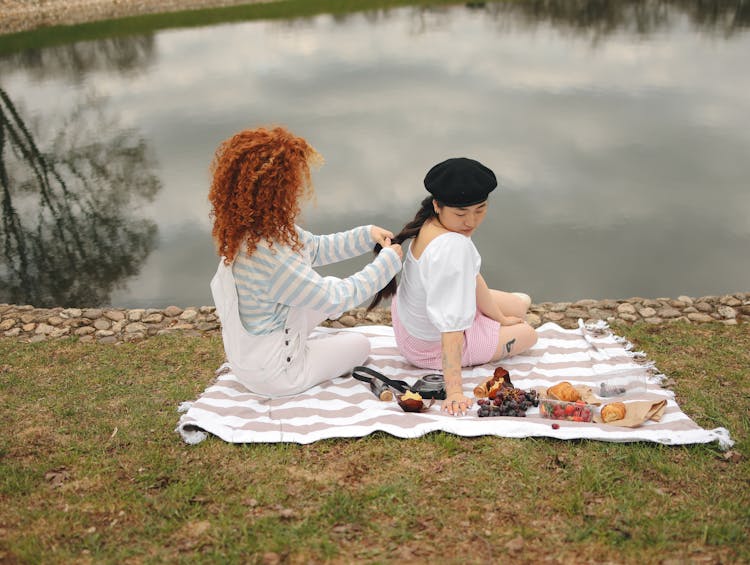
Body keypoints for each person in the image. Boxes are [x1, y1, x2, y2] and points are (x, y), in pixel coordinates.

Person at [208, 126, 403, 397]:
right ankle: (300, 352)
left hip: (249, 358)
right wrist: (386, 265)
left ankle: (302, 338)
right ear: (279, 191)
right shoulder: (274, 260)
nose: (298, 189)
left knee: (325, 288)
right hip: (277, 375)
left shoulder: (250, 234)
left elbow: (317, 248)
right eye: (293, 182)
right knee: (359, 344)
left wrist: (365, 235)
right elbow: (337, 298)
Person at [369, 157, 538, 416]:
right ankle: (491, 328)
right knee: (528, 333)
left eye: (480, 209)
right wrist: (455, 390)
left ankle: (496, 319)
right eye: (461, 213)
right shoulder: (452, 247)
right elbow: (451, 327)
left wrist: (500, 318)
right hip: (428, 347)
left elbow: (471, 277)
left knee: (520, 304)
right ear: (437, 205)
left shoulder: (430, 223)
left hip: (412, 325)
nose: (471, 221)